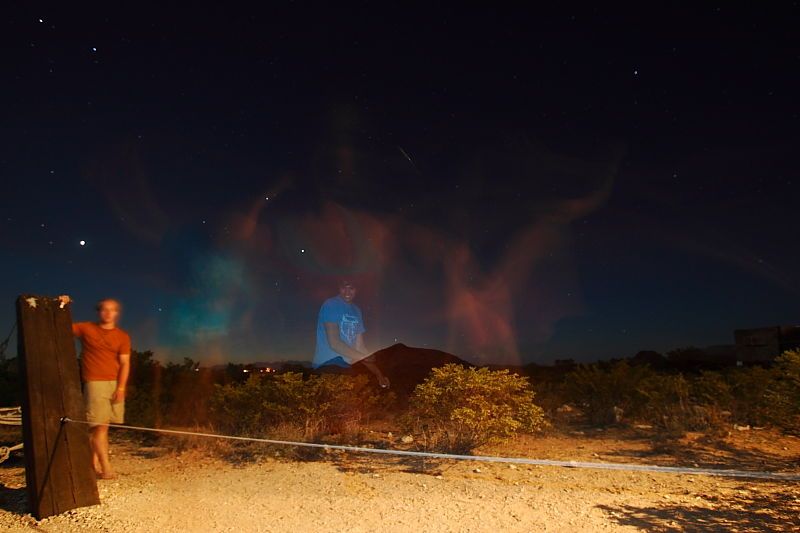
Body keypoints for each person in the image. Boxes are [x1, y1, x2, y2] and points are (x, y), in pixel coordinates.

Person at [59, 295, 131, 479]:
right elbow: (61, 326)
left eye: (112, 309)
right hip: (95, 382)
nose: (107, 313)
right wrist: (64, 306)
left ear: (117, 313)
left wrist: (121, 388)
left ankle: (92, 465)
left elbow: (125, 364)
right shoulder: (86, 328)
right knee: (98, 427)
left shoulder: (122, 336)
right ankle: (106, 468)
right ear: (99, 312)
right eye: (104, 309)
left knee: (102, 427)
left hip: (114, 383)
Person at [313, 280, 389, 387]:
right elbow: (334, 343)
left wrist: (379, 375)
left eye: (351, 288)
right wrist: (363, 357)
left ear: (357, 290)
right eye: (344, 287)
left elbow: (360, 348)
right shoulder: (331, 304)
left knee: (361, 395)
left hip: (345, 366)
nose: (347, 292)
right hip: (328, 365)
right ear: (339, 288)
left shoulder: (356, 311)